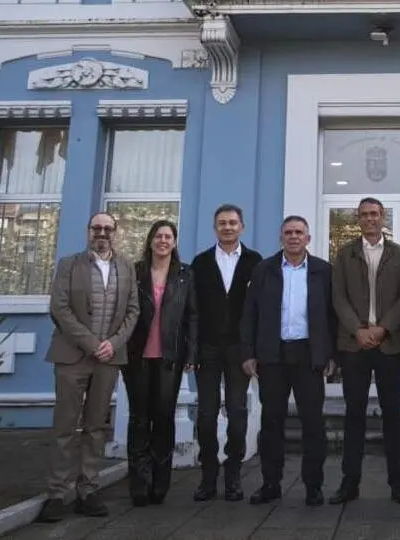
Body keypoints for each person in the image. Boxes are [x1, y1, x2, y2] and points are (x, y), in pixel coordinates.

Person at [38, 212, 140, 523]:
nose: (102, 233)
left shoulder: (126, 267)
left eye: (108, 229)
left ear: (115, 233)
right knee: (65, 427)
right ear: (88, 231)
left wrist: (113, 342)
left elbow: (133, 310)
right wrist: (91, 342)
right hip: (72, 356)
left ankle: (88, 489)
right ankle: (57, 493)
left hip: (109, 359)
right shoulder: (70, 264)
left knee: (96, 427)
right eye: (97, 228)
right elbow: (59, 308)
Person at [241, 216, 337, 506]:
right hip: (273, 355)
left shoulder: (323, 270)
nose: (293, 237)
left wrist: (332, 355)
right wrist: (248, 353)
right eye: (288, 232)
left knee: (313, 423)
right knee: (271, 422)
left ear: (308, 238)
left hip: (309, 356)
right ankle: (271, 483)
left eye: (299, 232)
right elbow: (250, 314)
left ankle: (313, 486)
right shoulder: (264, 270)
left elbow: (333, 317)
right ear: (281, 238)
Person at [328, 197, 400, 506]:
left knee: (394, 415)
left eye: (374, 214)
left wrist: (382, 328)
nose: (369, 219)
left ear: (382, 217)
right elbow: (337, 297)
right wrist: (359, 330)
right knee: (354, 415)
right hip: (354, 345)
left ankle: (398, 484)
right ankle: (349, 483)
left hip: (388, 344)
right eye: (364, 215)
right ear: (358, 219)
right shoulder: (344, 254)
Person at [123, 219, 198, 507]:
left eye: (168, 236)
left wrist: (191, 355)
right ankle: (139, 486)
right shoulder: (135, 272)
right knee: (139, 419)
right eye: (158, 236)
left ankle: (160, 485)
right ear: (151, 241)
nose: (163, 241)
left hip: (170, 357)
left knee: (164, 419)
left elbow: (193, 316)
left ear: (174, 242)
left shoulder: (185, 274)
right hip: (137, 356)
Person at [191, 204, 263, 502]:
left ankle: (233, 476)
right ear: (215, 227)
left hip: (239, 350)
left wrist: (254, 350)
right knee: (206, 415)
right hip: (207, 349)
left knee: (237, 412)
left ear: (242, 227)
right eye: (222, 223)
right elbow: (192, 310)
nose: (228, 227)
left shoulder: (255, 262)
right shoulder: (200, 262)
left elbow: (259, 309)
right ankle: (208, 477)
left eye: (233, 223)